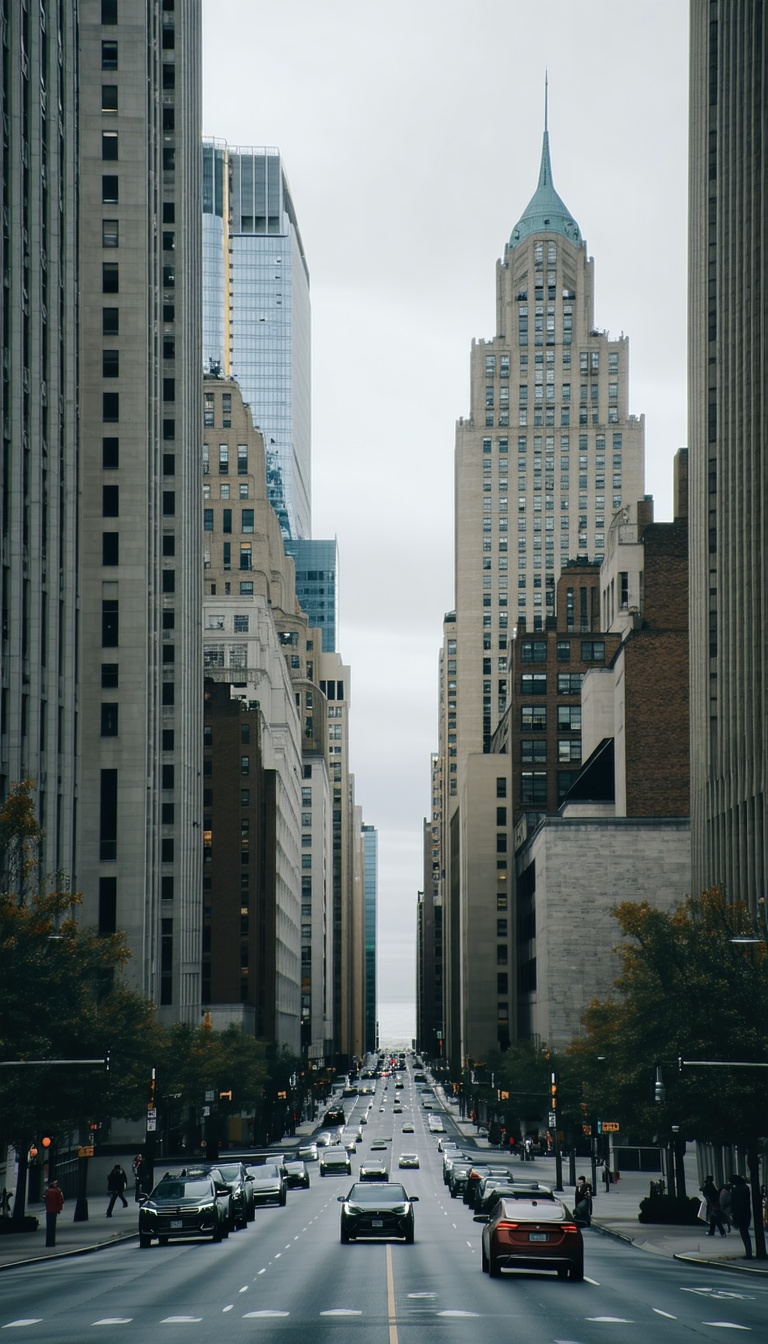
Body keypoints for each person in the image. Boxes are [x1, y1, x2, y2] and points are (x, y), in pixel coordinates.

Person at [729, 1173, 753, 1259]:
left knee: (744, 1234)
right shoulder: (745, 1188)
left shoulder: (736, 1190)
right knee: (745, 1233)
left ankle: (748, 1253)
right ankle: (748, 1252)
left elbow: (734, 1203)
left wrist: (733, 1213)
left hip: (740, 1214)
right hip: (745, 1213)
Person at [44, 1179, 63, 1247]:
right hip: (54, 1210)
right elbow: (59, 1200)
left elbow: (44, 1198)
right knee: (52, 1225)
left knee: (49, 1226)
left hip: (49, 1210)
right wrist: (58, 1209)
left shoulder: (47, 1191)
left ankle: (49, 1242)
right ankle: (51, 1242)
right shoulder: (56, 1191)